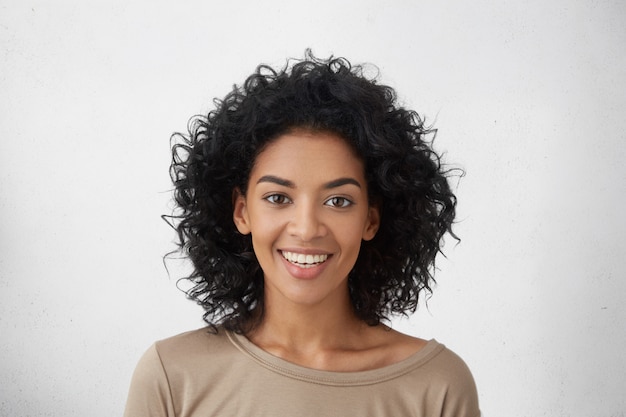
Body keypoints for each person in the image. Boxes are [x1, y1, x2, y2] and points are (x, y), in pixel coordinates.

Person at [123, 51, 480, 417]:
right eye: (278, 198)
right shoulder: (171, 376)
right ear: (241, 211)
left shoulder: (437, 387)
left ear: (371, 219)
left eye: (338, 201)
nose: (307, 229)